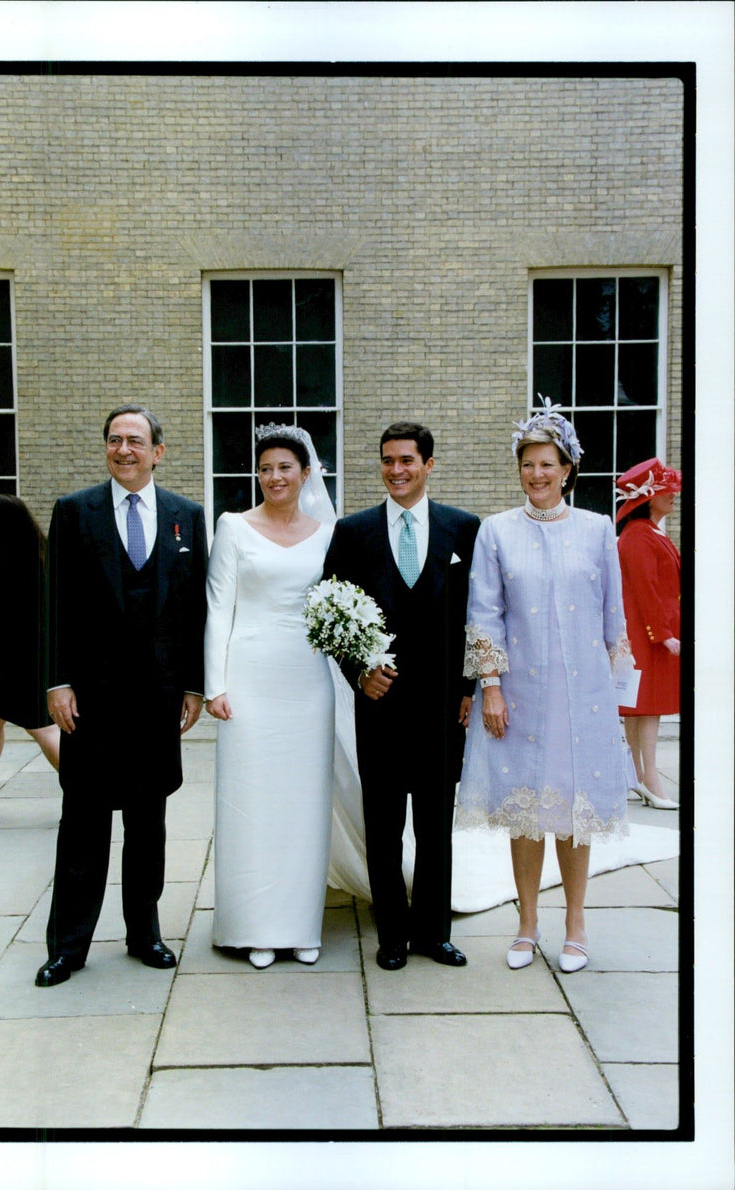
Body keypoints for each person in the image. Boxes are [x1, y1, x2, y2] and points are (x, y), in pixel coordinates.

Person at [35, 404, 208, 987]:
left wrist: (193, 684)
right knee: (83, 824)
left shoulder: (188, 517)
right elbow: (54, 604)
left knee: (148, 824)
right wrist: (56, 681)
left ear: (157, 451)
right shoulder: (74, 512)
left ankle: (145, 933)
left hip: (158, 701)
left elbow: (192, 613)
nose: (124, 450)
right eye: (114, 440)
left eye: (135, 440)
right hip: (90, 701)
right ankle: (69, 945)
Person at [457, 398, 631, 974]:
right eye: (528, 464)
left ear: (568, 469)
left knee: (574, 808)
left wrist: (618, 694)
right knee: (526, 808)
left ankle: (575, 921)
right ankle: (528, 922)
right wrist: (492, 687)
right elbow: (485, 613)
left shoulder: (598, 529)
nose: (537, 475)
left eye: (547, 465)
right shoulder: (496, 532)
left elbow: (613, 616)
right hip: (521, 694)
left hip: (583, 698)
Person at [323, 421, 480, 971]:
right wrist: (357, 672)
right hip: (381, 705)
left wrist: (471, 687)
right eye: (388, 460)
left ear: (429, 465)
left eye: (407, 460)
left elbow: (477, 617)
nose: (396, 470)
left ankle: (433, 933)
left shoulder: (464, 529)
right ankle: (392, 934)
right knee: (384, 824)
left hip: (442, 707)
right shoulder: (353, 532)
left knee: (436, 824)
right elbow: (329, 614)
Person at [204, 424, 336, 969]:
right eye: (265, 468)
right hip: (250, 678)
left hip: (308, 681)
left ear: (305, 474)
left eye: (285, 467)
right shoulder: (233, 527)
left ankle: (301, 925)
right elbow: (218, 606)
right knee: (252, 804)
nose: (274, 477)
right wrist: (215, 684)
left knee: (304, 804)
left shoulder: (328, 532)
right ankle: (255, 925)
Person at [0, 494, 60, 816]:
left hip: (24, 661)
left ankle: (87, 792)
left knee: (43, 729)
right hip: (32, 657)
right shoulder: (36, 552)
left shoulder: (6, 560)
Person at [615, 458, 681, 810]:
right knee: (646, 708)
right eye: (664, 490)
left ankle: (639, 776)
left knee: (641, 709)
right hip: (647, 632)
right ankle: (649, 778)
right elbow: (646, 590)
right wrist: (663, 634)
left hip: (652, 629)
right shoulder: (638, 535)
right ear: (647, 497)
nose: (673, 495)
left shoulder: (649, 532)